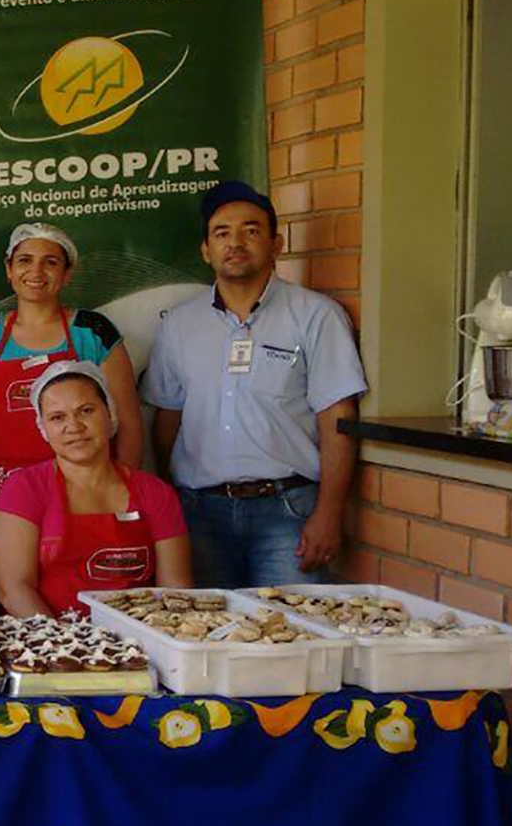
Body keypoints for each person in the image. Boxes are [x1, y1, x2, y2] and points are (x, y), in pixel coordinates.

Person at [141, 181, 366, 587]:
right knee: (206, 625)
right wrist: (172, 500)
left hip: (288, 513)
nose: (235, 243)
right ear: (206, 250)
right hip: (200, 513)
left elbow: (338, 418)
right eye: (221, 233)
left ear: (276, 244)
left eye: (251, 230)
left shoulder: (316, 315)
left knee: (293, 624)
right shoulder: (179, 324)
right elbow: (167, 419)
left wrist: (329, 513)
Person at [0, 222, 144, 517]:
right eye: (25, 260)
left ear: (67, 273)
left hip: (86, 497)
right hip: (0, 494)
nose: (36, 272)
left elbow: (128, 424)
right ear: (9, 269)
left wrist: (121, 497)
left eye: (50, 262)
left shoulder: (92, 331)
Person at [0, 361, 191, 616]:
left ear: (110, 414)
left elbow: (176, 588)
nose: (74, 426)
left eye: (86, 411)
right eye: (57, 417)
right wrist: (65, 640)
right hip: (48, 635)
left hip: (140, 635)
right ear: (43, 428)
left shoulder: (155, 493)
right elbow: (13, 589)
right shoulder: (24, 489)